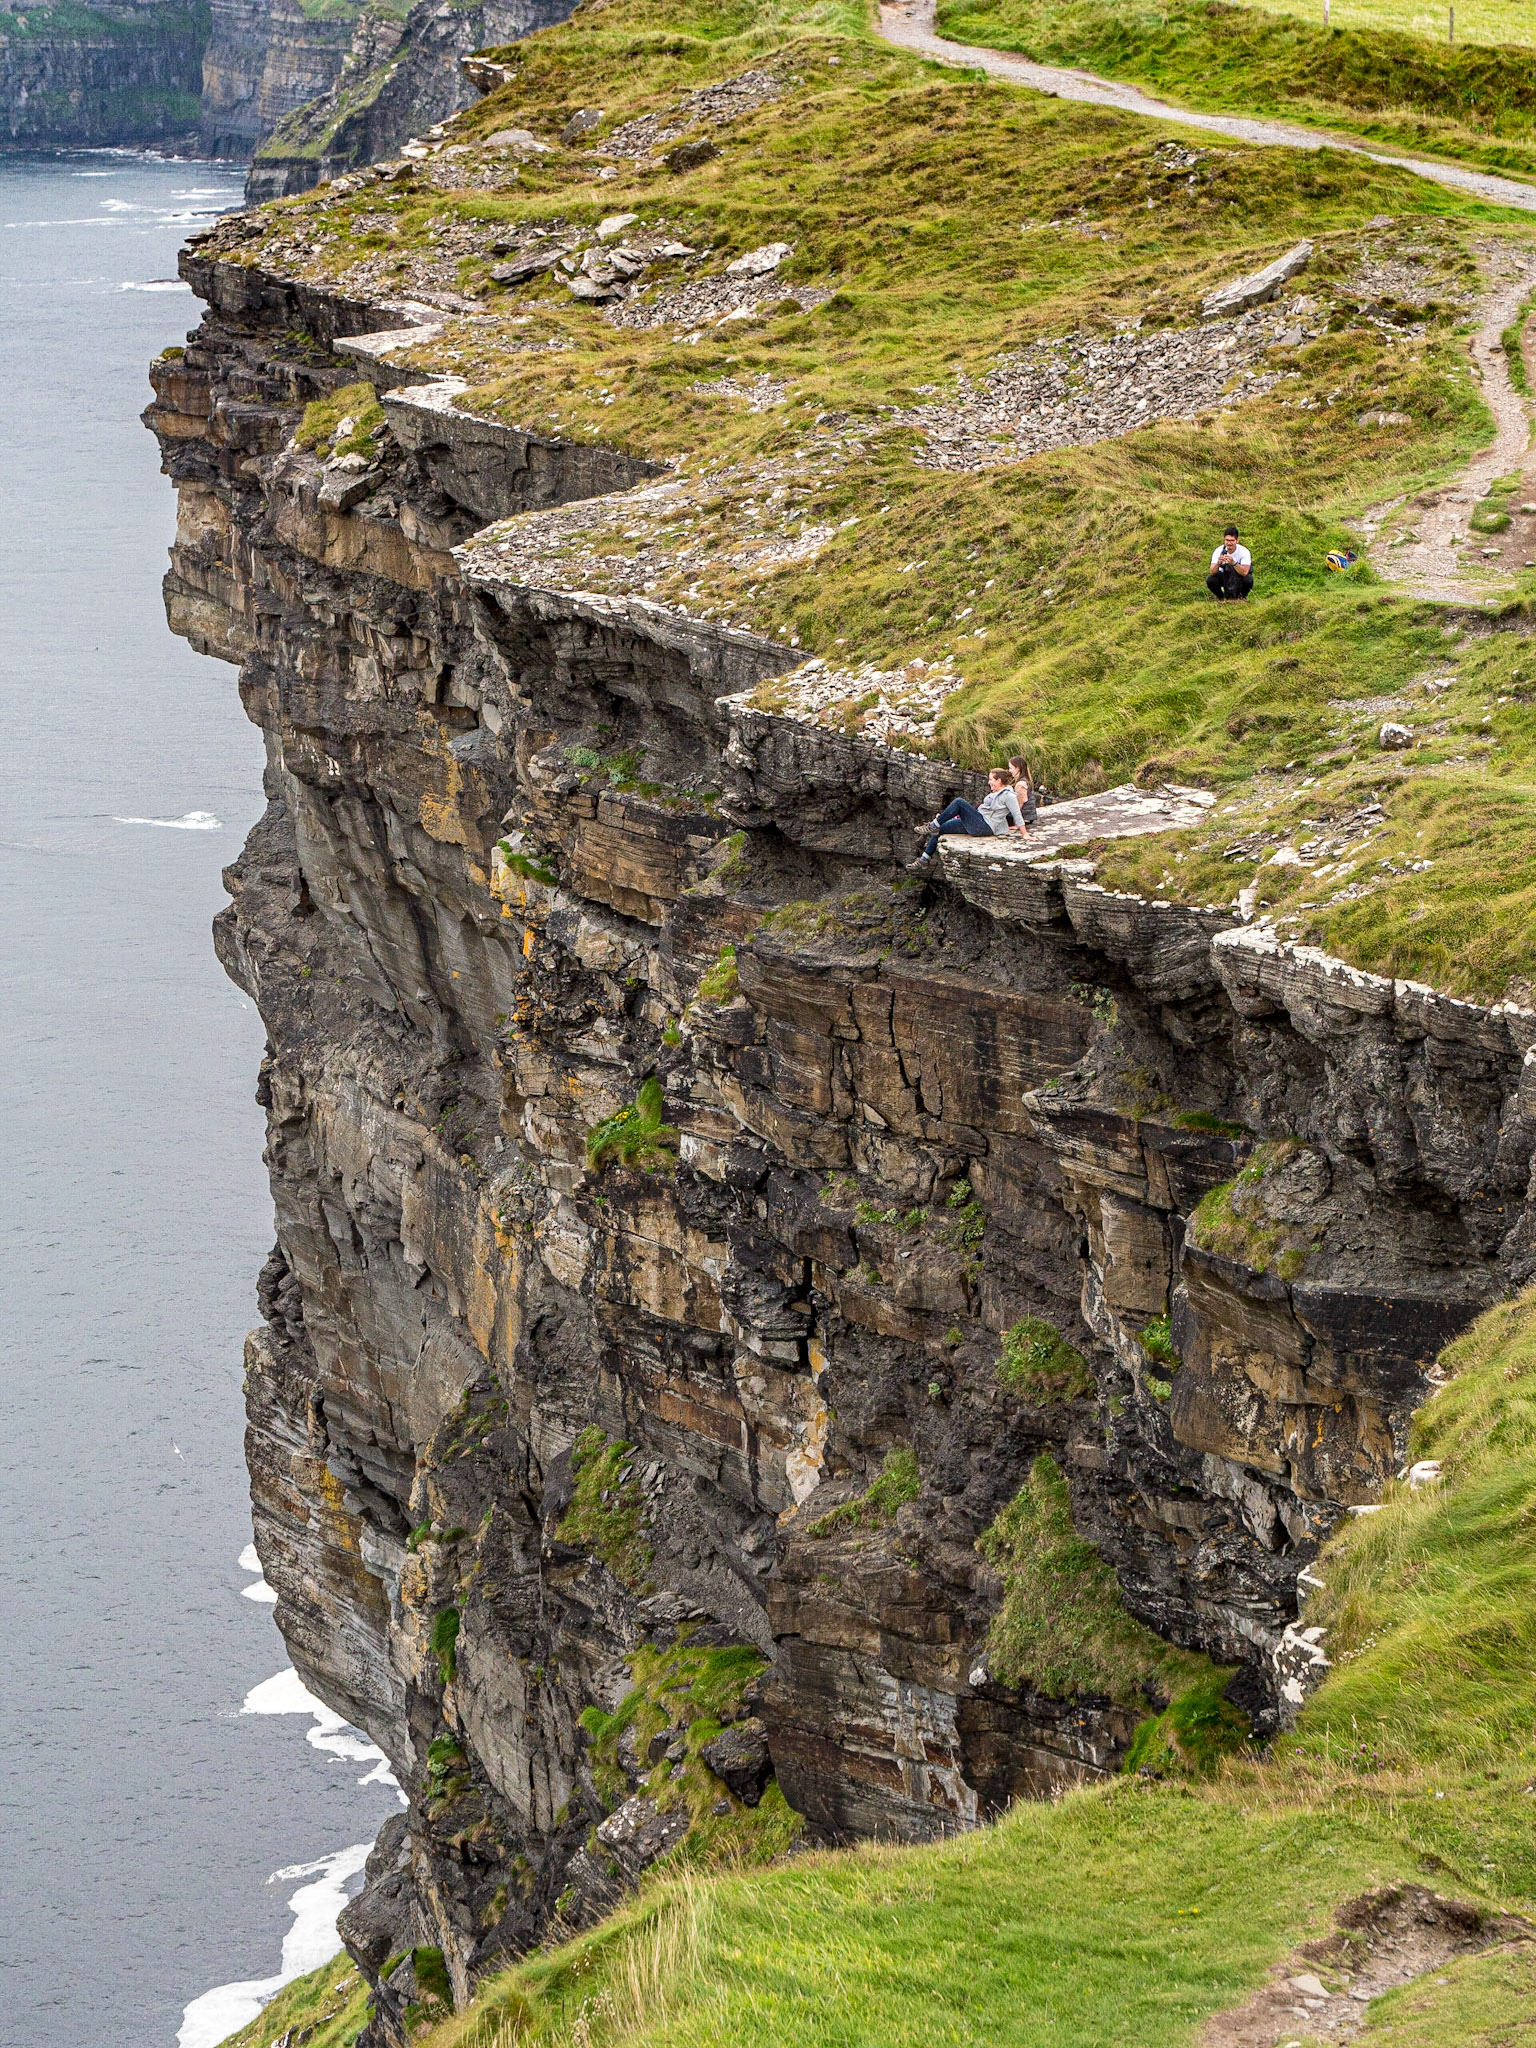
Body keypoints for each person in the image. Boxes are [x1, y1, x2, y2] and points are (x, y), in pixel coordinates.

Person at [912, 768, 1026, 867]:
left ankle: (932, 826)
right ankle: (924, 859)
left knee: (959, 802)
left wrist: (1024, 834)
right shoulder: (995, 793)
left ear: (999, 780)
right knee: (940, 829)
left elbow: (1017, 814)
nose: (989, 782)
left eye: (991, 779)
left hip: (985, 826)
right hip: (978, 822)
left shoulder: (1009, 795)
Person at [1207, 526, 1253, 600]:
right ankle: (1221, 598)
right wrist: (1218, 563)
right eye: (1227, 540)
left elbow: (1245, 572)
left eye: (1232, 540)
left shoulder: (1244, 552)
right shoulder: (1218, 551)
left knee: (1248, 579)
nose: (1229, 543)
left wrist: (1233, 563)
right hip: (1224, 576)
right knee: (1210, 579)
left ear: (1237, 540)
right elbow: (1212, 572)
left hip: (1239, 576)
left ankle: (1241, 597)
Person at [1007, 756, 1038, 827]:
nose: (1009, 770)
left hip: (1025, 816)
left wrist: (1016, 823)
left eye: (1011, 768)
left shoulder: (1020, 784)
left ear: (1018, 768)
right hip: (1028, 815)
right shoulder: (1025, 780)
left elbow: (1019, 804)